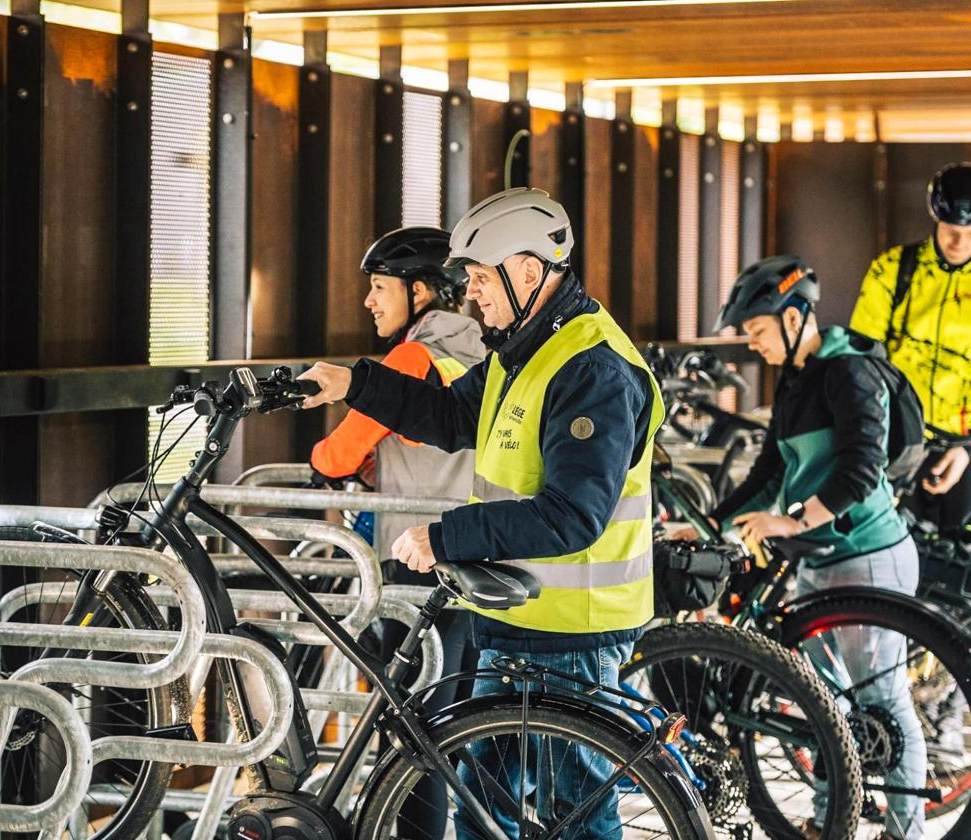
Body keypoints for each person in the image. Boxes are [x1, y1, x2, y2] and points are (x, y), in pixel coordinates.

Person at [299, 187, 665, 839]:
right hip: (517, 616)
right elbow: (446, 414)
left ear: (529, 271)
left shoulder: (591, 368)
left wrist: (447, 537)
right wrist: (352, 382)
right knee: (481, 802)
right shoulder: (520, 350)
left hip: (573, 628)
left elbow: (572, 517)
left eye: (478, 278)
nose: (470, 294)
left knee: (574, 811)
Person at [705, 255, 926, 840]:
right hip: (820, 561)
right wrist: (708, 525)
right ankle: (833, 818)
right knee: (824, 703)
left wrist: (790, 522)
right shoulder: (797, 379)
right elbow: (768, 470)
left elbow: (859, 471)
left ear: (796, 315)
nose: (754, 346)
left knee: (881, 699)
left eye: (757, 331)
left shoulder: (848, 372)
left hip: (869, 554)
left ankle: (909, 831)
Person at [307, 226, 485, 840]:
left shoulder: (412, 358)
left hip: (412, 559)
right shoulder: (483, 350)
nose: (369, 301)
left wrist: (326, 460)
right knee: (452, 721)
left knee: (411, 731)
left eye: (379, 288)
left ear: (421, 292)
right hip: (472, 555)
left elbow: (338, 453)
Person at [850, 161, 971, 531]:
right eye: (951, 230)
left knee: (960, 559)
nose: (958, 242)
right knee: (880, 545)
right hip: (896, 435)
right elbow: (861, 356)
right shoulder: (892, 270)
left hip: (968, 440)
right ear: (935, 218)